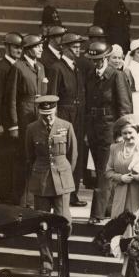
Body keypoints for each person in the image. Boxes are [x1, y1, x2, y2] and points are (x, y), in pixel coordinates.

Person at [25, 95, 77, 275]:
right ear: (39, 112)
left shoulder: (66, 126)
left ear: (55, 109)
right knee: (42, 224)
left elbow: (72, 155)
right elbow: (29, 156)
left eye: (50, 113)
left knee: (65, 220)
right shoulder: (32, 128)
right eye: (44, 114)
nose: (47, 117)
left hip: (62, 179)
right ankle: (46, 263)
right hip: (41, 181)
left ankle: (62, 257)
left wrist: (66, 173)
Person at [85, 41, 133, 224]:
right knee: (101, 170)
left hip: (110, 129)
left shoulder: (116, 76)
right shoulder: (90, 75)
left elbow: (124, 106)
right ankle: (108, 208)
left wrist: (122, 131)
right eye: (93, 59)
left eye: (99, 59)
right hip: (93, 128)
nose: (96, 63)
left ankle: (96, 213)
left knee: (104, 171)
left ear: (106, 57)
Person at [6, 34, 47, 207]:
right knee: (23, 160)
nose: (41, 49)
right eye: (38, 47)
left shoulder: (41, 67)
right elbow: (12, 98)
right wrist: (14, 124)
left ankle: (31, 199)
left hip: (38, 119)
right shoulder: (18, 67)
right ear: (29, 49)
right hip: (24, 119)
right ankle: (20, 201)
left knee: (35, 158)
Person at [49, 32, 88, 207]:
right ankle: (64, 193)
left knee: (76, 154)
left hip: (78, 116)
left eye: (79, 46)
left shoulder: (76, 68)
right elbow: (53, 95)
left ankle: (73, 193)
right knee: (64, 154)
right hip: (64, 115)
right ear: (64, 48)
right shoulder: (57, 68)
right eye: (74, 46)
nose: (78, 49)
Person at [0, 32, 22, 203]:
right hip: (5, 126)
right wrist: (1, 124)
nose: (19, 50)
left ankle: (11, 197)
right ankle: (4, 198)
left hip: (15, 124)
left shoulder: (18, 67)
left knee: (14, 163)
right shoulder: (2, 69)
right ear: (7, 47)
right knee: (5, 163)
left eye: (21, 47)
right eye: (16, 47)